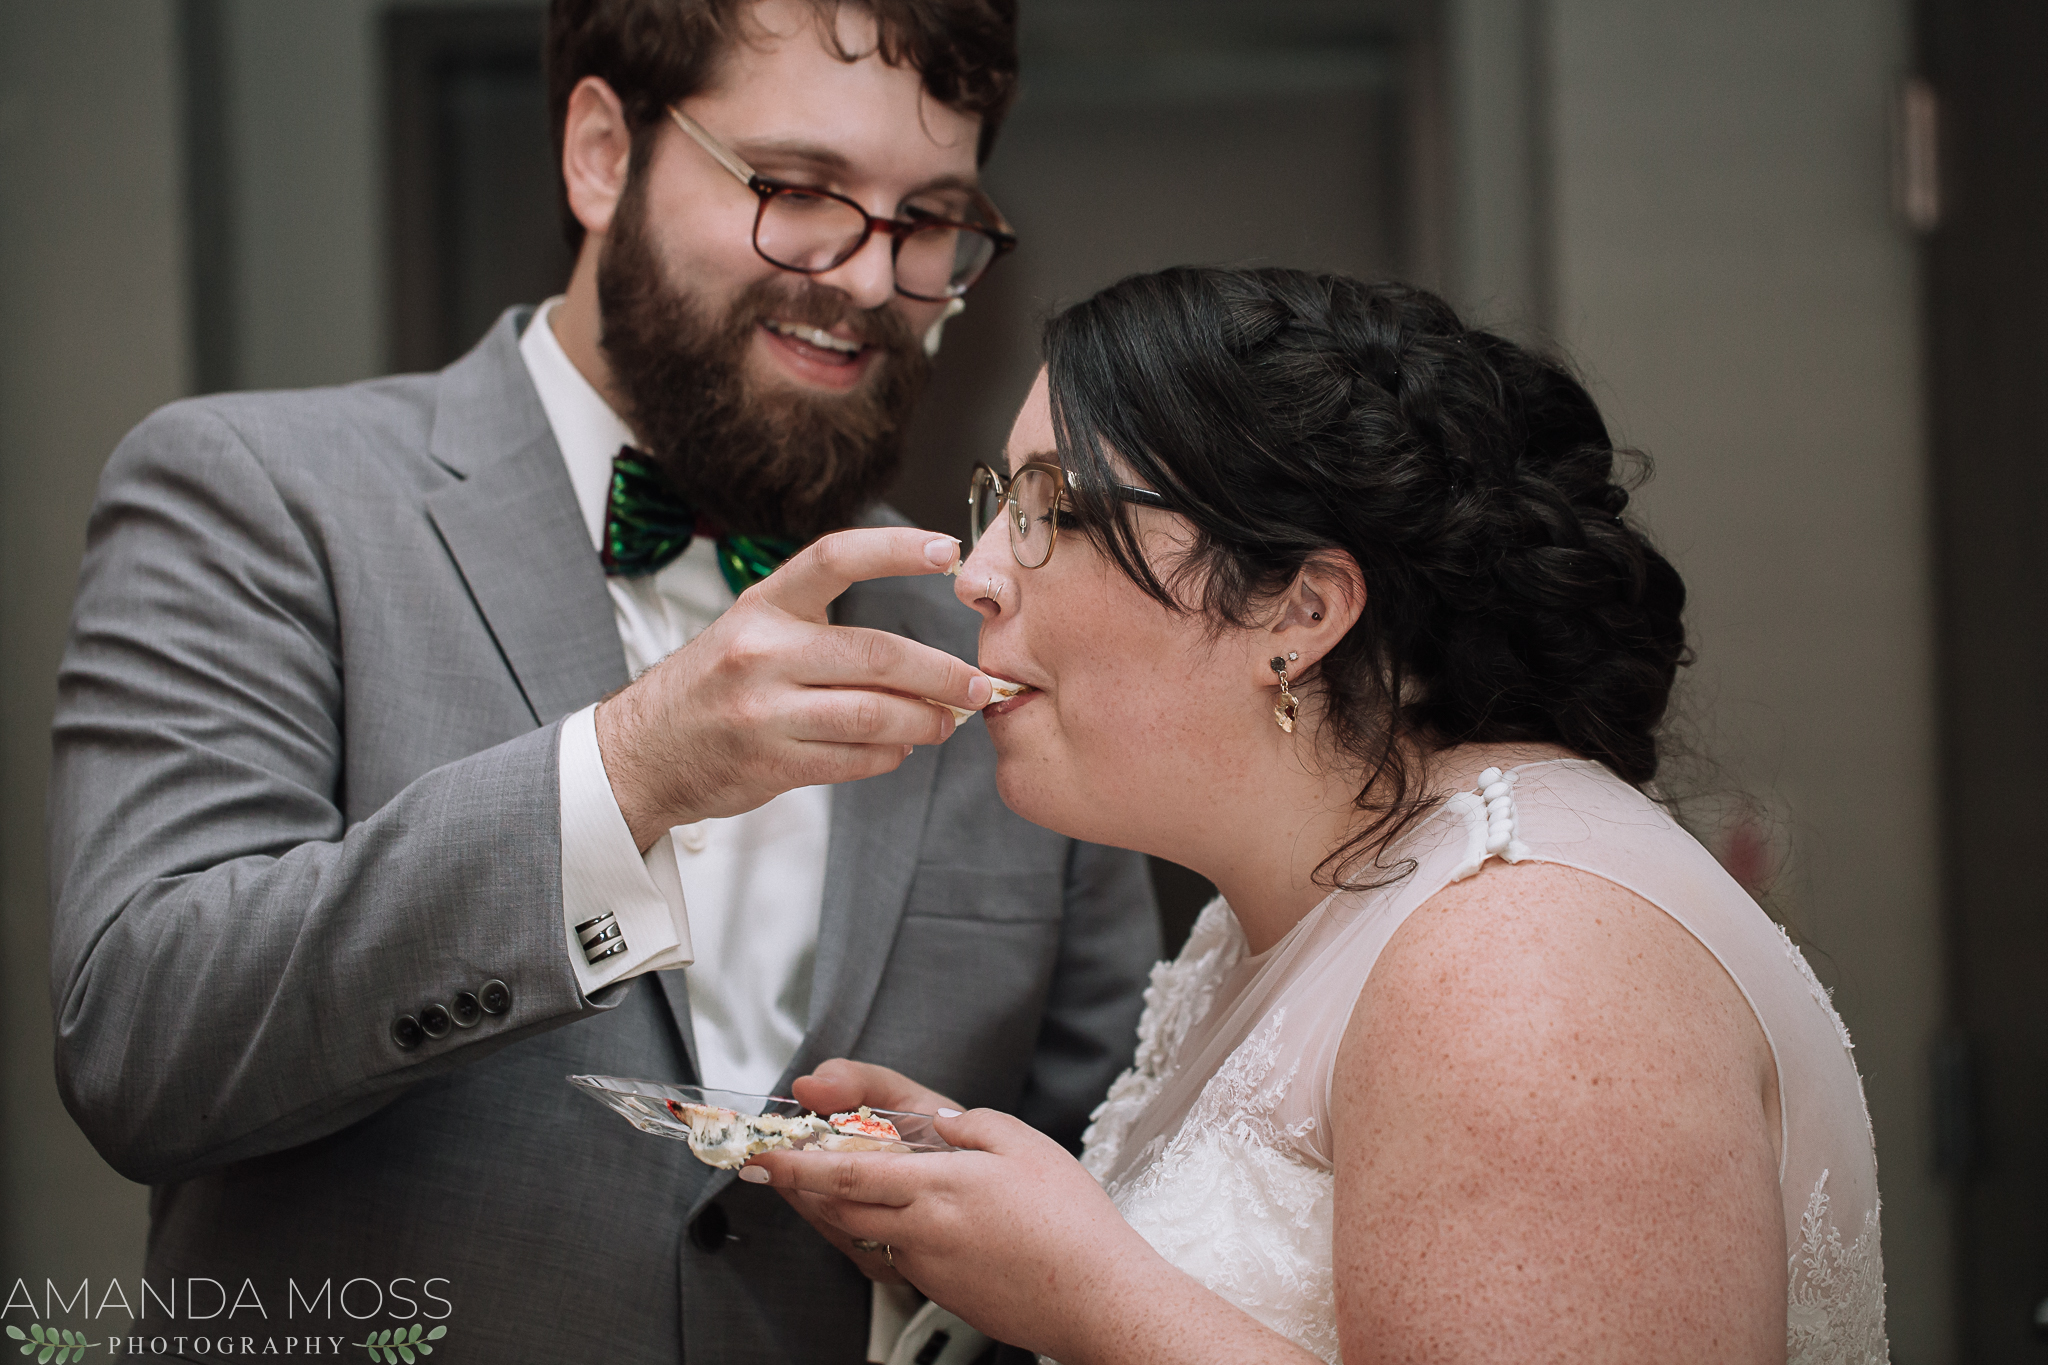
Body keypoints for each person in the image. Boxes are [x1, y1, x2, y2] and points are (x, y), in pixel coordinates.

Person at [46, 2, 1156, 1360]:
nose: (870, 280)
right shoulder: (257, 496)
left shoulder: (1000, 633)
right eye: (799, 191)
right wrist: (627, 773)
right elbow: (142, 1048)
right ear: (596, 152)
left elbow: (1118, 1169)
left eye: (927, 218)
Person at [746, 267, 1890, 1364]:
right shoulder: (1295, 906)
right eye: (998, 504)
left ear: (1298, 608)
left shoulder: (1521, 952)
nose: (980, 575)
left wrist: (1087, 1295)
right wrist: (980, 1222)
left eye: (1055, 509)